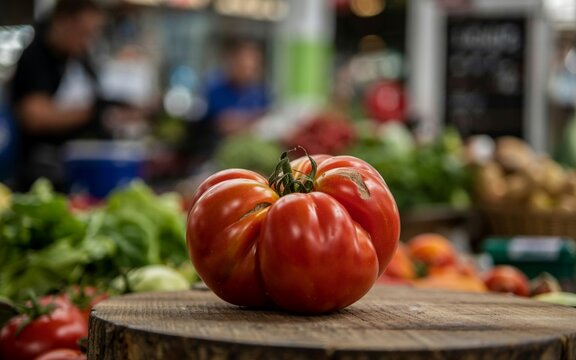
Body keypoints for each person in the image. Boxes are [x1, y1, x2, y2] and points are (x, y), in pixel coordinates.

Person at [9, 0, 107, 192]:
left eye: (92, 34)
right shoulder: (35, 57)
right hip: (41, 176)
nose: (87, 40)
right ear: (62, 21)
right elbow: (35, 117)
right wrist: (92, 113)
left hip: (78, 171)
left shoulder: (79, 59)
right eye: (82, 32)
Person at [189, 40, 271, 162]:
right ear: (232, 62)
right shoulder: (213, 87)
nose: (247, 72)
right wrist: (250, 121)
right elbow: (221, 123)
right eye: (243, 66)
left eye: (252, 68)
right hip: (214, 153)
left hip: (248, 151)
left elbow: (266, 119)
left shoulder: (260, 91)